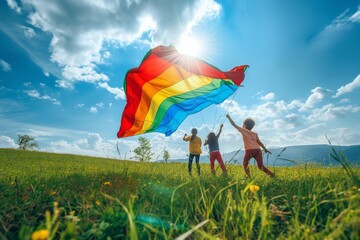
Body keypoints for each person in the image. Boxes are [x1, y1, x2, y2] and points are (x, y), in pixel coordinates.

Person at [226, 114, 274, 178]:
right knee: (260, 166)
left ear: (244, 125)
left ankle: (248, 177)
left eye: (243, 124)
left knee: (245, 164)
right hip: (258, 150)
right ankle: (272, 175)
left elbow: (234, 124)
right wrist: (265, 149)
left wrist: (228, 117)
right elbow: (259, 142)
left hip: (250, 150)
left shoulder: (243, 130)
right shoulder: (255, 134)